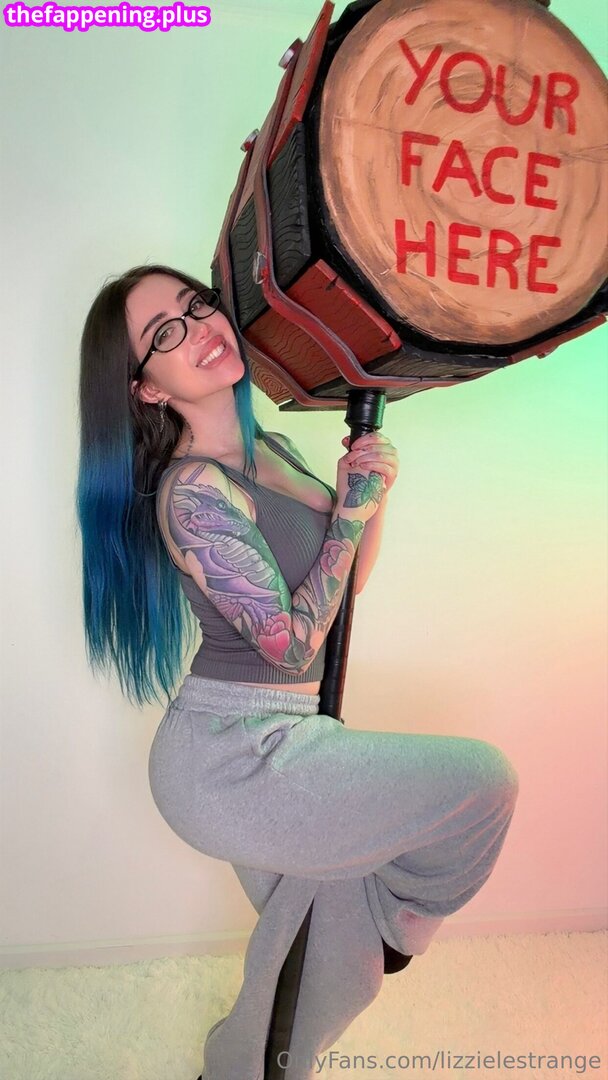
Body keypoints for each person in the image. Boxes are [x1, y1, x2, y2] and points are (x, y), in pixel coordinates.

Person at [77, 263, 520, 1080]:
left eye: (197, 305)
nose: (199, 328)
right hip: (227, 757)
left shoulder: (270, 450)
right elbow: (287, 645)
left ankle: (237, 1067)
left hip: (291, 734)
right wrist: (348, 512)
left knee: (326, 957)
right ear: (146, 389)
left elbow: (343, 592)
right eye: (166, 333)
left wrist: (369, 494)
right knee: (481, 781)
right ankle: (398, 927)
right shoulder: (192, 492)